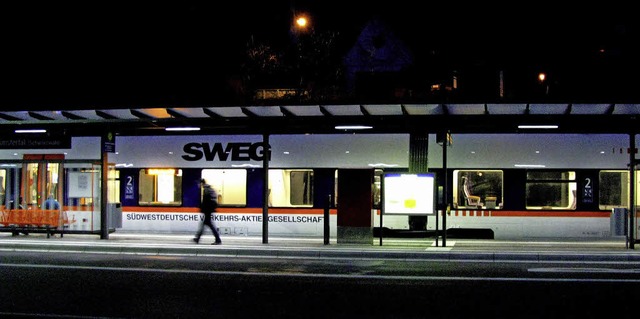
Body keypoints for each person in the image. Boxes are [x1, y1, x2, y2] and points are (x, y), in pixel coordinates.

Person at [193, 178, 222, 245]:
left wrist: (201, 209)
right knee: (205, 224)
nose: (198, 185)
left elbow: (205, 201)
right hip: (209, 210)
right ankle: (197, 238)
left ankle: (218, 240)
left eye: (199, 183)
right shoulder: (209, 189)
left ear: (201, 183)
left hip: (208, 210)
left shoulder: (206, 190)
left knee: (209, 225)